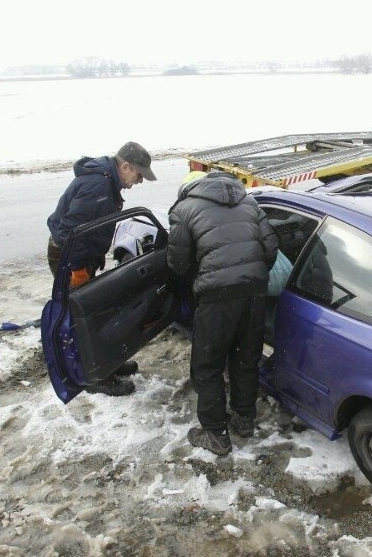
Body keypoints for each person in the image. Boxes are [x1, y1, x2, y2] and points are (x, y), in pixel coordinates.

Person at [167, 170, 278, 456]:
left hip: (217, 297)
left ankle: (215, 433)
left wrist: (200, 275)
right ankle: (244, 419)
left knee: (208, 365)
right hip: (254, 293)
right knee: (245, 358)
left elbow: (178, 263)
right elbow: (270, 248)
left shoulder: (184, 209)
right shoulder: (249, 203)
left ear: (189, 189)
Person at [46, 141, 158, 396]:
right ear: (126, 166)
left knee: (94, 313)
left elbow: (89, 227)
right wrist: (76, 268)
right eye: (139, 175)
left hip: (81, 255)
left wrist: (93, 257)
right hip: (69, 257)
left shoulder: (107, 181)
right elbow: (68, 233)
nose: (139, 181)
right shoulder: (97, 184)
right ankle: (91, 377)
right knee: (81, 319)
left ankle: (107, 365)